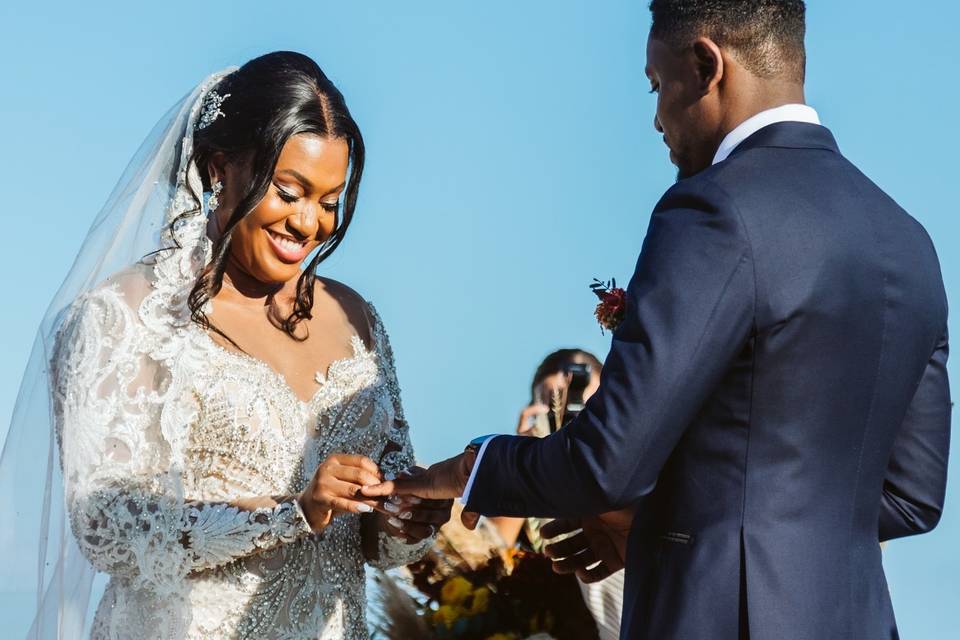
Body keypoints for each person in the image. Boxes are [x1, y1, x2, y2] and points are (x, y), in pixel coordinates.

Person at [364, 2, 952, 639]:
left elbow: (605, 463)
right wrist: (660, 524)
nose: (655, 117)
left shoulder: (712, 210)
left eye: (657, 84)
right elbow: (912, 497)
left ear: (705, 65)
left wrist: (468, 469)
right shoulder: (910, 242)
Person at [1, 52, 450, 639]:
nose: (307, 223)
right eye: (288, 191)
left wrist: (406, 517)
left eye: (329, 201)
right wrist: (293, 513)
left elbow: (373, 538)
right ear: (219, 168)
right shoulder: (122, 316)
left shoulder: (356, 319)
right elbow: (106, 525)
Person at [488, 348, 624, 640]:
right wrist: (521, 463)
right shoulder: (530, 486)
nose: (566, 410)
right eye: (550, 403)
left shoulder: (642, 458)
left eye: (577, 392)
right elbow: (488, 558)